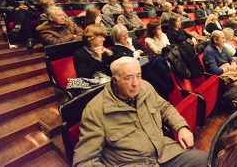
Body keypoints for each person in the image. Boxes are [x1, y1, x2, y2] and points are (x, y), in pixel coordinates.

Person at [72, 57, 207, 166]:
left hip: (164, 152)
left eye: (138, 76)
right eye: (129, 78)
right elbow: (84, 161)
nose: (136, 83)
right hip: (133, 163)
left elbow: (165, 107)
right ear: (115, 80)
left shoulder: (146, 87)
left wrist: (181, 127)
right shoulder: (95, 111)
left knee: (207, 161)